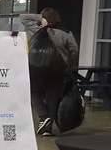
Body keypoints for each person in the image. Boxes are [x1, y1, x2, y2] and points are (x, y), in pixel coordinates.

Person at [19, 8, 79, 136]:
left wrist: (42, 18)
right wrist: (70, 65)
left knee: (33, 92)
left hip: (36, 68)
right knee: (53, 95)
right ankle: (47, 128)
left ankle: (44, 116)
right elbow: (74, 50)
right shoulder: (65, 32)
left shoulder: (34, 29)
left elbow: (22, 16)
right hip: (58, 69)